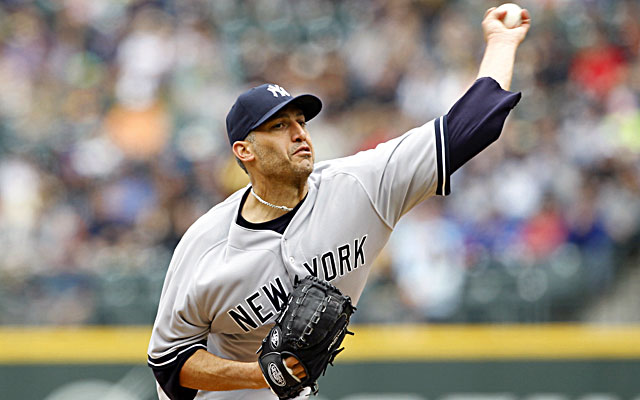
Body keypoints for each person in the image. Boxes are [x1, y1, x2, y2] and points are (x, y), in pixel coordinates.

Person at [147, 7, 531, 400]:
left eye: (301, 122)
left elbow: (476, 122)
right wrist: (259, 375)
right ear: (245, 151)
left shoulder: (359, 186)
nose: (299, 134)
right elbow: (169, 363)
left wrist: (502, 42)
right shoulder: (206, 245)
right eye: (279, 126)